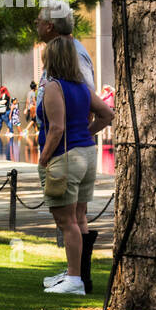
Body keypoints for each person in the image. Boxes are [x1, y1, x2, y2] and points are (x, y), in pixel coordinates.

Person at [37, 36, 114, 295]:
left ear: (50, 59)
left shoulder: (53, 87)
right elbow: (107, 115)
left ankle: (74, 280)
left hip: (65, 158)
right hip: (87, 155)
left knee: (66, 221)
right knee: (80, 217)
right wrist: (86, 133)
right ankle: (79, 275)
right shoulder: (82, 86)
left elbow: (57, 128)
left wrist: (44, 157)